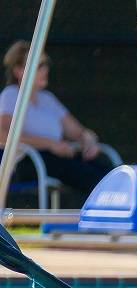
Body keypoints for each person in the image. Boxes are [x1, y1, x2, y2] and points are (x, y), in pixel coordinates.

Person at [0, 40, 115, 197]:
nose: (45, 70)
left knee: (108, 171)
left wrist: (88, 140)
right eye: (38, 65)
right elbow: (3, 135)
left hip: (57, 158)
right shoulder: (10, 95)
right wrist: (50, 144)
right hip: (28, 162)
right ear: (19, 70)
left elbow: (76, 131)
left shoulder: (48, 99)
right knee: (90, 176)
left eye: (45, 64)